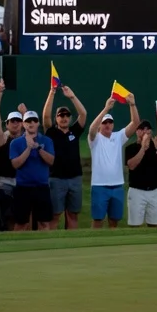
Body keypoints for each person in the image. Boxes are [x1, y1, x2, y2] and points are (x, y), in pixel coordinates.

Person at [87, 93, 139, 229]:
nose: (107, 125)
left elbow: (135, 124)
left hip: (117, 186)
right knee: (98, 220)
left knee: (114, 220)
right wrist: (106, 109)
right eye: (104, 123)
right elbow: (92, 129)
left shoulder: (118, 137)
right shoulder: (95, 139)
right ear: (100, 125)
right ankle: (94, 246)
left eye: (110, 122)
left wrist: (132, 105)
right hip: (99, 186)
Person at [44, 85, 87, 230]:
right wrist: (52, 92)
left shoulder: (74, 131)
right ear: (56, 118)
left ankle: (73, 244)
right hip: (56, 179)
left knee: (73, 214)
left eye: (67, 115)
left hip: (75, 178)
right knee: (55, 215)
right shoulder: (51, 132)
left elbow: (83, 114)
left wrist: (72, 96)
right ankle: (54, 246)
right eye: (61, 115)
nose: (64, 118)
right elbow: (45, 117)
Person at [9, 111, 54, 231]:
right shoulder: (16, 143)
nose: (31, 123)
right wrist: (28, 148)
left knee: (44, 223)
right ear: (23, 124)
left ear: (38, 123)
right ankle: (17, 248)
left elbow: (51, 161)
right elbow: (15, 164)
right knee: (21, 223)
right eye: (28, 121)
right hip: (23, 187)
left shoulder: (46, 141)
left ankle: (44, 249)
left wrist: (38, 147)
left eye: (34, 120)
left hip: (42, 187)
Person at [124, 120, 157, 228]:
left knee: (156, 224)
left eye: (147, 129)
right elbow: (131, 165)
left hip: (154, 190)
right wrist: (143, 148)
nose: (145, 132)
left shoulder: (155, 146)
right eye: (142, 129)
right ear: (137, 131)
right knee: (135, 224)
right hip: (137, 190)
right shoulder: (130, 148)